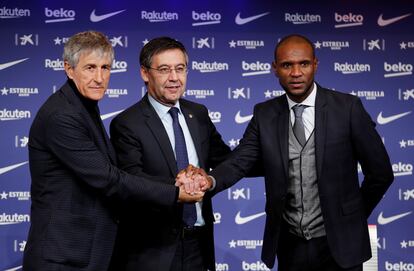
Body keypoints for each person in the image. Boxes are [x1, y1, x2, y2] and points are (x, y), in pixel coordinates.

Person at [181, 34, 394, 271]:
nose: (295, 72)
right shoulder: (265, 114)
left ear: (315, 64)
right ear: (275, 69)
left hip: (342, 246)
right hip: (290, 245)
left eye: (303, 64)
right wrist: (208, 181)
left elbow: (381, 173)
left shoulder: (348, 108)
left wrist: (351, 216)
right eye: (286, 65)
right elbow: (240, 161)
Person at [23, 31, 201, 271]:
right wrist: (175, 192)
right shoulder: (62, 116)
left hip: (84, 252)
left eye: (105, 67)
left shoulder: (83, 106)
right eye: (90, 68)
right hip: (63, 256)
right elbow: (108, 179)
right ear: (68, 68)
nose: (99, 77)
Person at [109, 37, 231, 271]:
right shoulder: (127, 123)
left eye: (180, 68)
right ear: (145, 73)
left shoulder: (198, 113)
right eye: (164, 70)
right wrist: (178, 189)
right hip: (153, 250)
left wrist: (269, 152)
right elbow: (132, 180)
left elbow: (226, 159)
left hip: (198, 244)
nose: (174, 78)